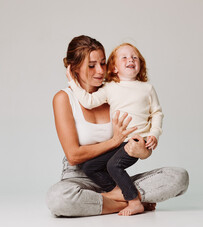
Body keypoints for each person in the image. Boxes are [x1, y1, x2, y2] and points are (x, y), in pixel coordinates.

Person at [46, 35, 189, 217]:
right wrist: (114, 141)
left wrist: (143, 151)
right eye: (91, 65)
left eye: (103, 63)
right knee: (58, 198)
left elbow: (139, 134)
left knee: (179, 177)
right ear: (74, 68)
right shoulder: (64, 98)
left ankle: (114, 198)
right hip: (79, 179)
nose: (99, 71)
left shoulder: (115, 93)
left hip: (116, 174)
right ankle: (129, 200)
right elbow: (74, 156)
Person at [66, 43, 163, 216]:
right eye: (124, 57)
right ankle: (122, 194)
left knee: (113, 165)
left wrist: (154, 134)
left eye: (134, 57)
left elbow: (156, 113)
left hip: (136, 141)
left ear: (140, 64)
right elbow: (88, 101)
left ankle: (134, 202)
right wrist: (73, 83)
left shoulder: (147, 88)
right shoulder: (110, 88)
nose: (130, 60)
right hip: (119, 142)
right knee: (90, 167)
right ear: (115, 68)